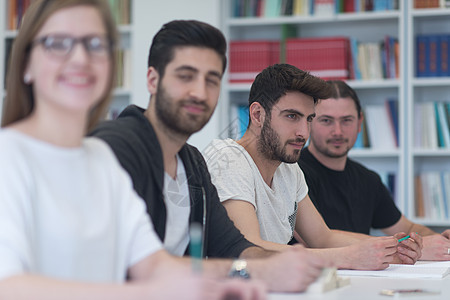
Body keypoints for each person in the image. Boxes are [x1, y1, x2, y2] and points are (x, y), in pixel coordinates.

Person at [0, 1, 266, 299]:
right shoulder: (8, 156)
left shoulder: (100, 160)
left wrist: (234, 279)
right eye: (58, 43)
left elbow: (153, 265)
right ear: (25, 64)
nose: (80, 58)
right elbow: (7, 286)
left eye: (95, 44)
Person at [90, 19, 329, 292]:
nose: (200, 93)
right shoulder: (115, 150)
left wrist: (282, 264)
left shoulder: (192, 163)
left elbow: (232, 247)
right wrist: (258, 269)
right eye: (185, 76)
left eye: (211, 80)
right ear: (153, 80)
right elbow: (134, 267)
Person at [204, 64, 423, 270]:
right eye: (292, 116)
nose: (304, 133)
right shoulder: (228, 158)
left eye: (308, 119)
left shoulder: (289, 169)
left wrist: (387, 248)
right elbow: (248, 247)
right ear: (258, 115)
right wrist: (350, 256)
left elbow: (322, 237)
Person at [298, 79, 450, 261]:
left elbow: (407, 229)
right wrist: (413, 248)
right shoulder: (294, 174)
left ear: (360, 122)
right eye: (326, 121)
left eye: (346, 120)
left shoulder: (368, 179)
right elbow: (320, 239)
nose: (337, 131)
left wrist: (440, 240)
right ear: (309, 123)